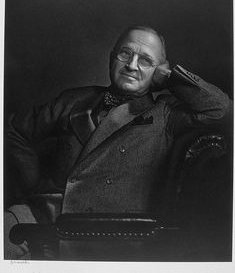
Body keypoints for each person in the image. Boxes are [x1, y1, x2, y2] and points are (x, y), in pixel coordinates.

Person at [4, 26, 231, 259]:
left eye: (145, 60)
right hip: (37, 216)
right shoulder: (73, 99)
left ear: (159, 70)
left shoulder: (165, 114)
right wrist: (30, 181)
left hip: (102, 234)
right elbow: (12, 130)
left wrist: (172, 78)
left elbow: (223, 111)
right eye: (125, 54)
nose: (132, 65)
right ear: (112, 58)